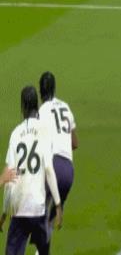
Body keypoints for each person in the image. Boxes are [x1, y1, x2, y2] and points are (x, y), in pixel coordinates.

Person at [0, 86, 62, 255]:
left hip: (19, 208)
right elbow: (49, 169)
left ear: (23, 107)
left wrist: (4, 213)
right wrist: (58, 204)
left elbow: (9, 179)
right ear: (37, 105)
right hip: (38, 209)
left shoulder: (15, 134)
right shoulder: (44, 131)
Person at [38, 72, 77, 234]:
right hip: (68, 171)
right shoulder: (66, 107)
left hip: (53, 166)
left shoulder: (42, 111)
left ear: (41, 91)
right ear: (54, 89)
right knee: (50, 221)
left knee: (34, 211)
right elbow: (75, 143)